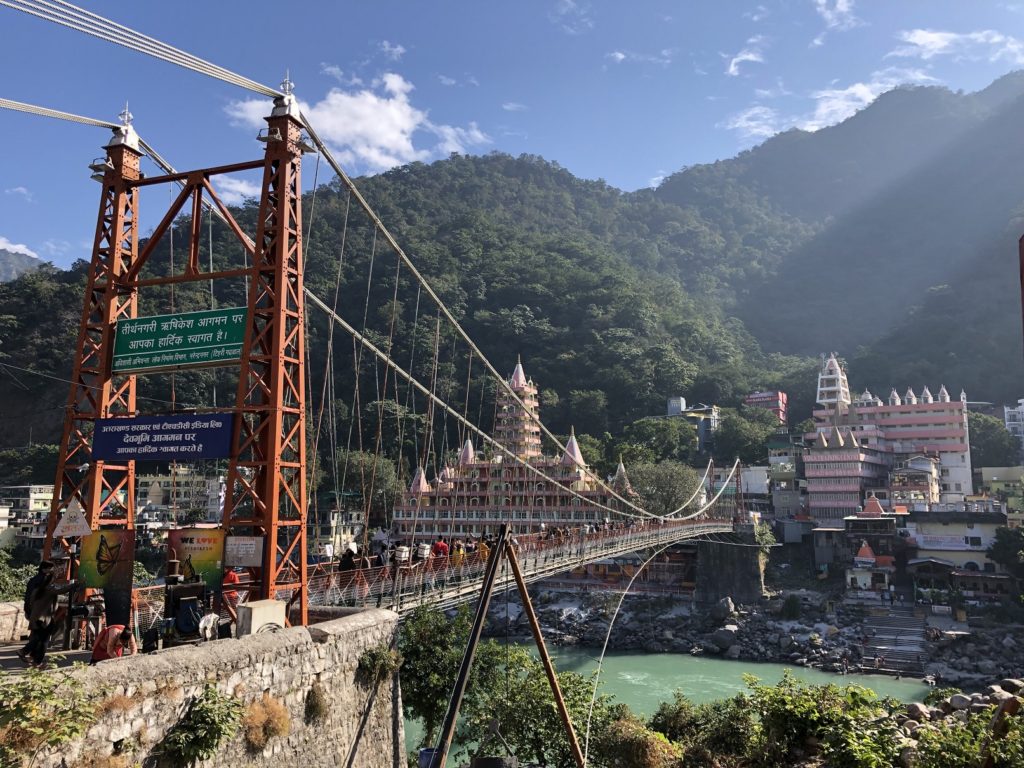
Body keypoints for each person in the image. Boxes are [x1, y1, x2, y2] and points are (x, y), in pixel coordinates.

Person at [19, 561, 76, 668]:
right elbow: (61, 590)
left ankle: (33, 657)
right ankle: (31, 656)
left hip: (35, 614)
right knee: (43, 639)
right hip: (44, 617)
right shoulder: (46, 585)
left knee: (37, 637)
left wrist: (30, 611)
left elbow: (29, 599)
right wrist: (76, 584)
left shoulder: (35, 584)